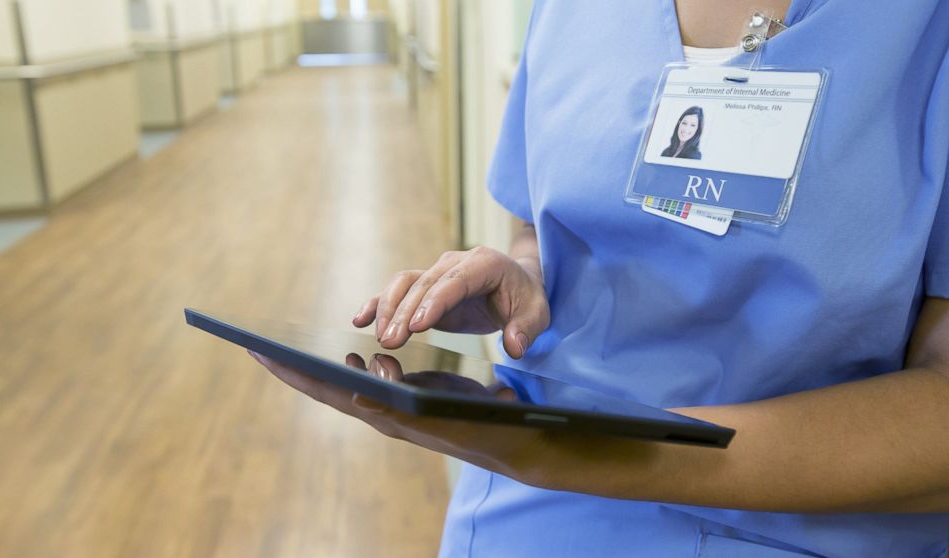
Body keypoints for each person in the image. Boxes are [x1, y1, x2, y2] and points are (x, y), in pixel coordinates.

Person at [252, 1, 949, 556]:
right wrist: (523, 274)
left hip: (801, 529)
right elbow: (538, 222)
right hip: (524, 511)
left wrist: (593, 454)